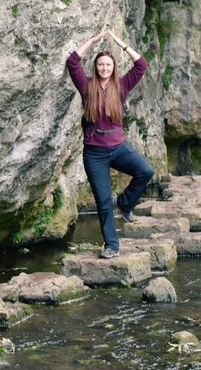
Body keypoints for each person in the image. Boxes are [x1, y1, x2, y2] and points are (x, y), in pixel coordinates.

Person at [66, 30, 154, 259]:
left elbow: (141, 64)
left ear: (113, 68)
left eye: (108, 65)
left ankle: (125, 203)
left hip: (118, 148)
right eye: (101, 65)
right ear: (96, 68)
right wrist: (93, 41)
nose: (104, 68)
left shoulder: (122, 86)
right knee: (103, 201)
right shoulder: (86, 87)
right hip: (94, 153)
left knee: (146, 171)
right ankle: (111, 245)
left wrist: (120, 44)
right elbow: (72, 61)